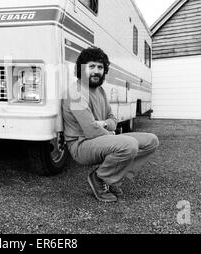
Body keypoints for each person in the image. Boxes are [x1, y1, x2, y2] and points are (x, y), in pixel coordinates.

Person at [62, 47, 159, 202]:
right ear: (82, 68)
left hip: (99, 138)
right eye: (91, 66)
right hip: (81, 145)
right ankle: (99, 178)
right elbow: (91, 131)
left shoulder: (99, 90)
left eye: (100, 67)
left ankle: (112, 178)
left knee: (151, 141)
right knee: (129, 145)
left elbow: (113, 120)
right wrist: (111, 134)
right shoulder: (76, 93)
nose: (96, 71)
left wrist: (105, 125)